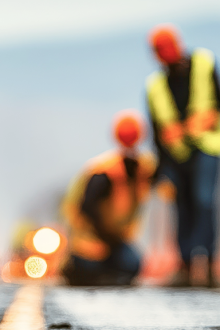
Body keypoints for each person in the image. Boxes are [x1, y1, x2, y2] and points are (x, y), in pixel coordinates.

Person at [145, 24, 220, 287]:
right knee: (182, 207)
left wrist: (203, 121)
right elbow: (157, 132)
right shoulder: (155, 86)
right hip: (177, 157)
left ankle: (209, 262)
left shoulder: (204, 63)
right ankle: (185, 264)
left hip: (208, 147)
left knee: (205, 201)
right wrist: (161, 172)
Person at [61, 111, 157, 286]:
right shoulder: (103, 170)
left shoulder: (142, 168)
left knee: (132, 264)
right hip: (90, 242)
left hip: (115, 241)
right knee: (88, 268)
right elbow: (86, 206)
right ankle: (75, 267)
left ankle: (104, 271)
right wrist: (108, 236)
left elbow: (160, 177)